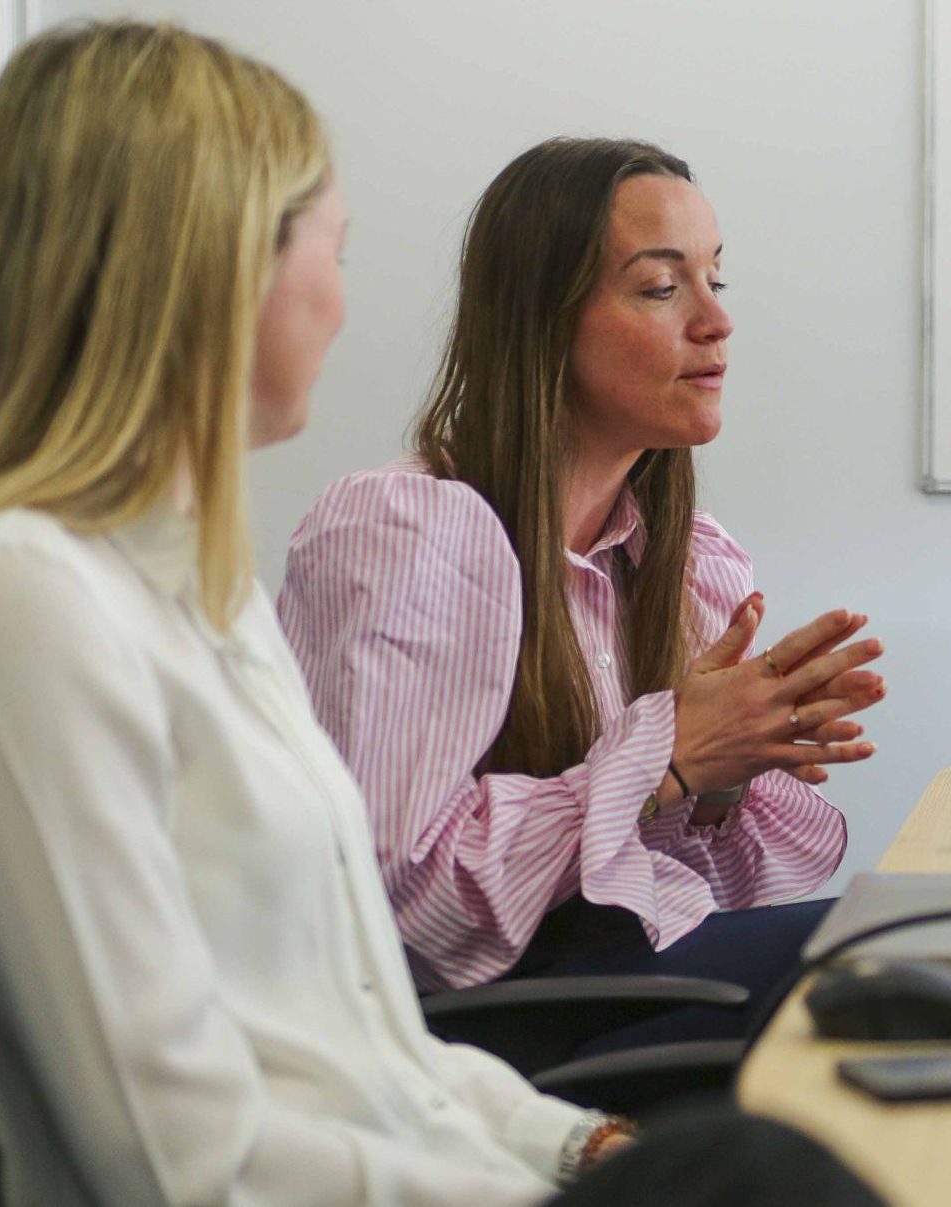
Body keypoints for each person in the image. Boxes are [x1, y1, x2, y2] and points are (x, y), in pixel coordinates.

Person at [0, 24, 877, 1205]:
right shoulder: (7, 606)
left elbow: (357, 1035)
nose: (338, 303)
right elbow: (170, 1150)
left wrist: (577, 1151)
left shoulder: (186, 600)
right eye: (329, 251)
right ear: (203, 270)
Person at [278, 138, 886, 1029]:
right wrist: (669, 759)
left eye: (717, 279)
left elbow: (696, 896)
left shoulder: (686, 564)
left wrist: (718, 781)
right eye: (660, 287)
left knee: (931, 940)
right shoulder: (406, 532)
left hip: (603, 977)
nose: (715, 321)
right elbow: (400, 897)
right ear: (541, 320)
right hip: (449, 1036)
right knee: (894, 952)